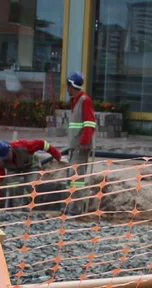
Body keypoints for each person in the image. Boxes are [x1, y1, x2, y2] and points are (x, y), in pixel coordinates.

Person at [0, 139, 62, 208]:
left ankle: (27, 205)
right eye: (4, 158)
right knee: (14, 185)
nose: (7, 159)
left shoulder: (23, 146)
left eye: (7, 156)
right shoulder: (1, 162)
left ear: (10, 149)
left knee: (30, 185)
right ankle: (18, 208)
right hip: (13, 168)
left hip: (30, 164)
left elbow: (43, 144)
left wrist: (57, 154)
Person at [66, 71, 97, 214]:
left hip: (80, 147)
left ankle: (75, 209)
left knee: (76, 177)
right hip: (74, 147)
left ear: (72, 85)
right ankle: (71, 206)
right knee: (71, 176)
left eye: (68, 85)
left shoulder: (84, 100)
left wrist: (84, 143)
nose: (66, 88)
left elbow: (90, 123)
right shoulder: (76, 101)